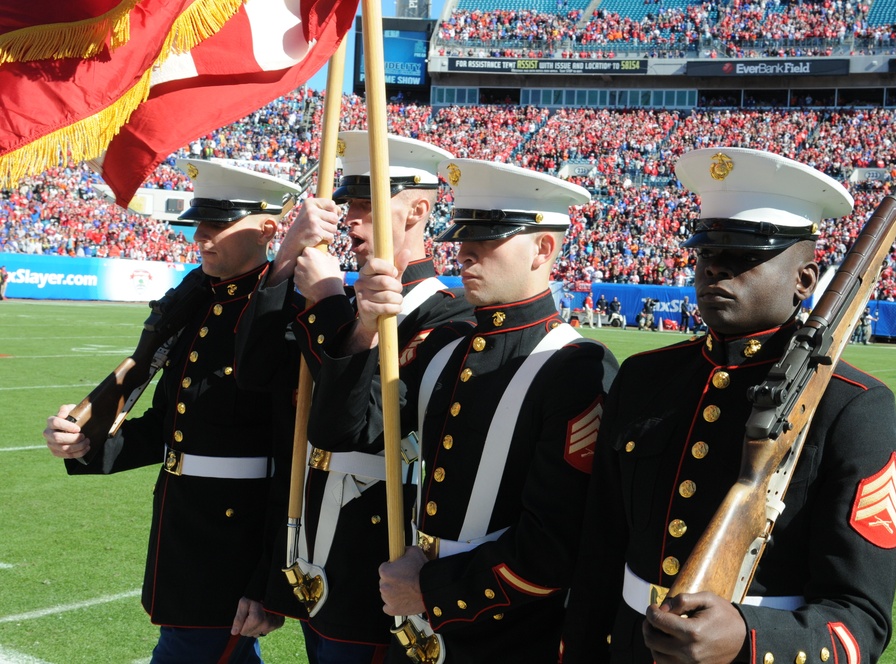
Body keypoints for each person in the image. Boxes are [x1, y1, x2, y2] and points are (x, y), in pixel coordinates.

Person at [563, 147, 896, 664]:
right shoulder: (644, 377)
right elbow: (600, 555)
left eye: (745, 257)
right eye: (705, 253)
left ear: (805, 279)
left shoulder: (852, 408)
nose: (715, 270)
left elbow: (860, 617)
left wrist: (752, 638)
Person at [315, 158, 619, 662]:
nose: (467, 252)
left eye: (490, 238)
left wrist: (434, 590)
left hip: (503, 638)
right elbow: (341, 431)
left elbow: (551, 548)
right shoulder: (449, 346)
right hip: (418, 627)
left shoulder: (573, 367)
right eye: (464, 236)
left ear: (543, 248)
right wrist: (364, 326)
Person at [43, 159, 301, 663]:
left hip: (235, 543)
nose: (201, 237)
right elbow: (168, 425)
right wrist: (88, 445)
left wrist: (271, 573)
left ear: (268, 228)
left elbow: (291, 460)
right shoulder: (195, 305)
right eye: (199, 224)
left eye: (219, 225)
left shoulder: (284, 317)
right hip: (183, 528)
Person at [234, 131, 474, 663]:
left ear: (416, 210)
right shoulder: (342, 300)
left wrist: (329, 306)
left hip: (374, 560)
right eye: (349, 205)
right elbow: (254, 371)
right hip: (311, 550)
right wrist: (286, 259)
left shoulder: (451, 318)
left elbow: (354, 427)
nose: (351, 219)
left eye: (367, 205)